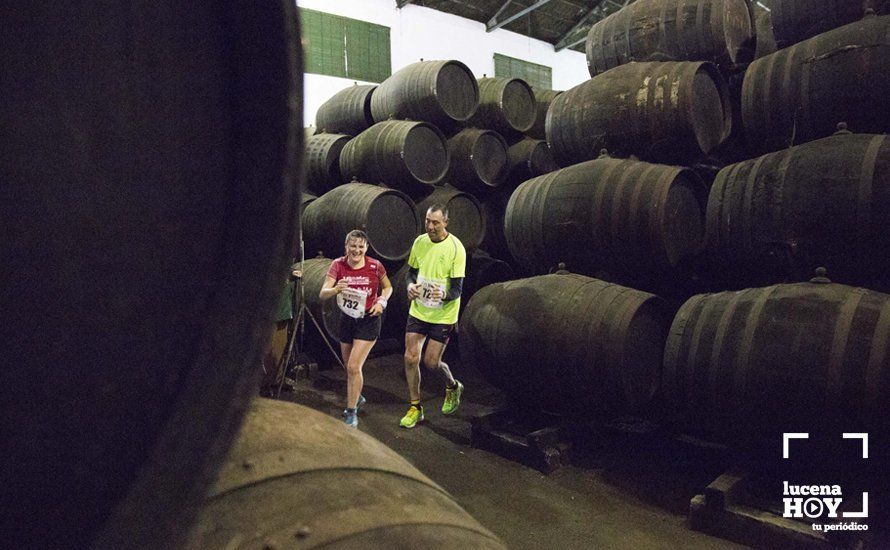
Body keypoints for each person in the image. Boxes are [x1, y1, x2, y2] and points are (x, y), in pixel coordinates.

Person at [400, 204, 466, 428]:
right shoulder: (420, 242)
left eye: (435, 222)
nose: (430, 226)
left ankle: (452, 385)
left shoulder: (456, 248)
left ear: (446, 222)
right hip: (419, 309)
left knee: (431, 362)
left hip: (443, 315)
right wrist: (409, 286)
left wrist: (444, 293)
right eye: (428, 221)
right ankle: (415, 407)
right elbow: (410, 273)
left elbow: (457, 289)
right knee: (410, 357)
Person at [319, 230, 392, 428]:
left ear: (366, 248)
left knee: (353, 367)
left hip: (368, 319)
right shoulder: (338, 265)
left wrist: (382, 302)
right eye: (353, 246)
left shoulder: (375, 266)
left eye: (361, 247)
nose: (357, 250)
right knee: (348, 367)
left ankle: (351, 412)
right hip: (347, 320)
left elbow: (388, 287)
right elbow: (323, 294)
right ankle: (357, 396)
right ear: (346, 247)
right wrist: (335, 290)